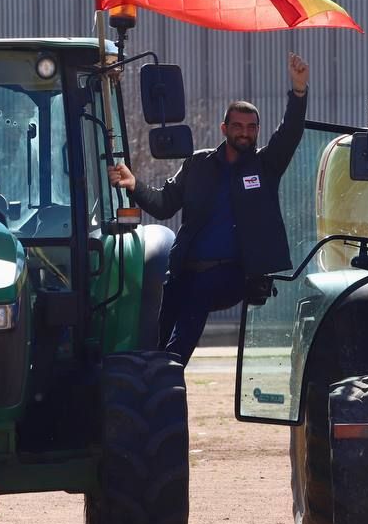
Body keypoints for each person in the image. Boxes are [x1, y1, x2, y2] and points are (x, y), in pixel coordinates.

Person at [108, 52, 310, 362]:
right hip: (184, 269)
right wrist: (134, 183)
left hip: (233, 274)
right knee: (157, 332)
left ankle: (172, 365)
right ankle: (158, 376)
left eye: (251, 127)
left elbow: (290, 133)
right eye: (238, 126)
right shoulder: (197, 165)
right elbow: (163, 205)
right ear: (224, 128)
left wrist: (298, 91)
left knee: (195, 304)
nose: (245, 132)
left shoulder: (265, 166)